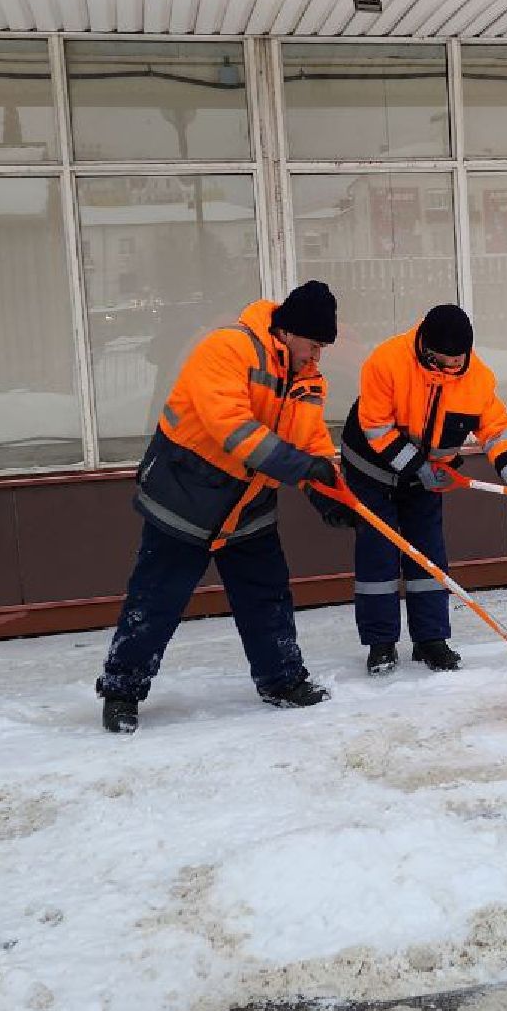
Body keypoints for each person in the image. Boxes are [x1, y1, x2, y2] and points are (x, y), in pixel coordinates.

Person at [94, 281, 356, 733]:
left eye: (322, 349)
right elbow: (230, 429)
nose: (317, 357)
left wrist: (326, 494)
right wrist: (300, 469)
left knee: (267, 595)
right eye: (313, 345)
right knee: (155, 600)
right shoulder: (228, 349)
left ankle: (283, 681)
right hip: (187, 496)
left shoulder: (309, 379)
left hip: (249, 506)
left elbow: (310, 442)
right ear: (290, 333)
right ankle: (121, 691)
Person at [340, 304, 507, 675]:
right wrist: (417, 466)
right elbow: (376, 426)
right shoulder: (386, 362)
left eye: (456, 361)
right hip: (371, 471)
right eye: (440, 361)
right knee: (378, 556)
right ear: (424, 348)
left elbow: (496, 430)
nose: (449, 368)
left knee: (428, 556)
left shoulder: (477, 379)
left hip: (425, 477)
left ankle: (430, 640)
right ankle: (380, 644)